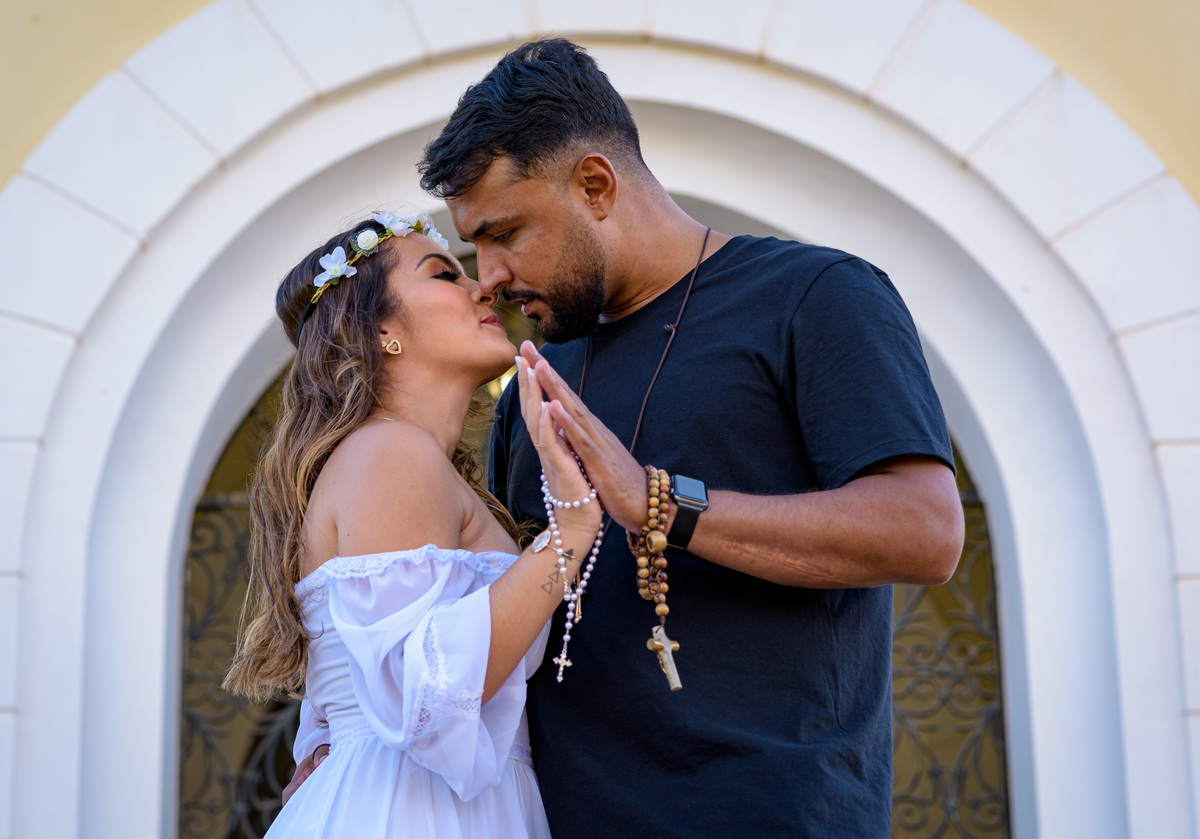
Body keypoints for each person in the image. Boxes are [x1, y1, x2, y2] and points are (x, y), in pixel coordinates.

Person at [416, 39, 966, 838]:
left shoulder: (815, 297)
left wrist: (658, 503)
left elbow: (926, 531)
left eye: (505, 232)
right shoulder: (537, 386)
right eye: (473, 247)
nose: (488, 273)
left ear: (595, 185)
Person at [223, 211, 611, 838]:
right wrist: (571, 531)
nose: (482, 287)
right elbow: (423, 695)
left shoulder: (405, 461)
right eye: (444, 274)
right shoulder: (391, 453)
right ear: (380, 329)